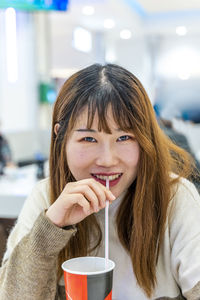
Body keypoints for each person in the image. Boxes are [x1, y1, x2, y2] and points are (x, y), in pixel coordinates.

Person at [0, 64, 200, 300]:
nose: (107, 160)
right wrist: (50, 230)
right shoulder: (46, 197)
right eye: (88, 138)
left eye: (124, 137)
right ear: (61, 137)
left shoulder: (175, 198)